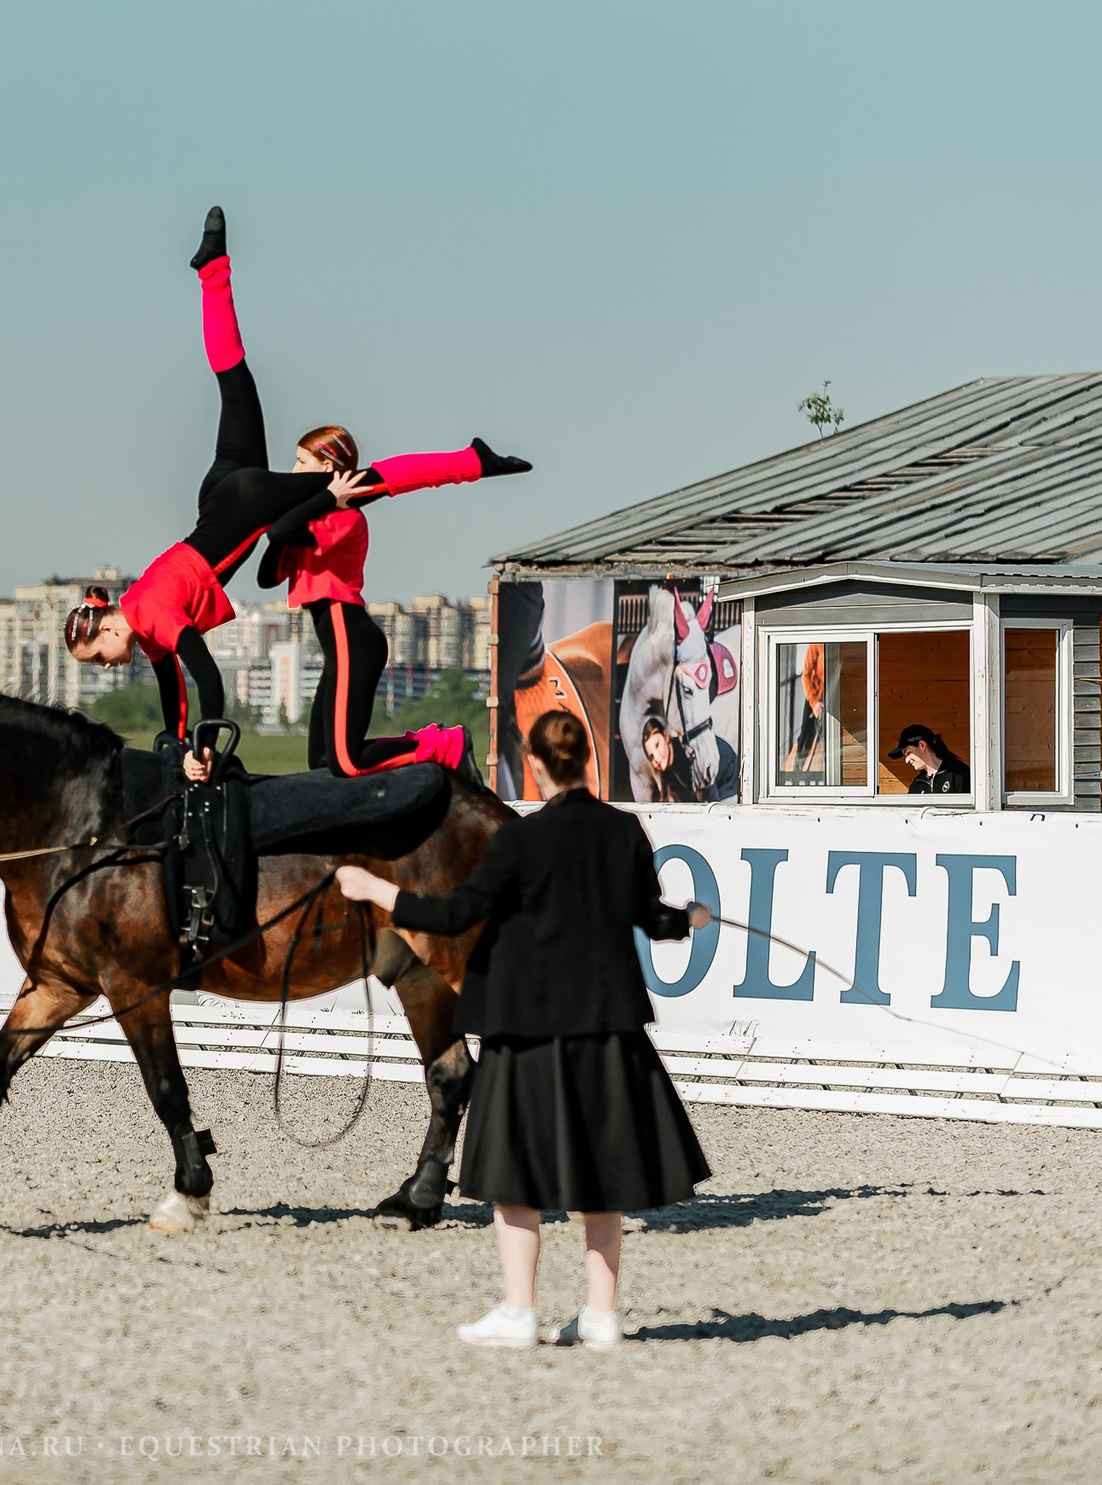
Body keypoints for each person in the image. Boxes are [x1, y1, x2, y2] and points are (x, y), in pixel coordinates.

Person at [65, 206, 529, 782]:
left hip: (243, 503)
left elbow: (207, 678)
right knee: (235, 383)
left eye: (99, 658)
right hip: (220, 496)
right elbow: (175, 692)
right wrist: (178, 739)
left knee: (364, 483)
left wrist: (203, 748)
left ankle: (470, 462)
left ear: (107, 627)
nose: (108, 667)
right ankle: (213, 272)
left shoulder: (153, 615)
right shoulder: (144, 615)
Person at [335, 712, 714, 1350]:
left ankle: (519, 1311)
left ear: (537, 766)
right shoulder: (625, 831)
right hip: (606, 1025)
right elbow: (653, 919)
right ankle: (600, 1316)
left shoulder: (518, 840)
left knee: (515, 1173)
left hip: (526, 1026)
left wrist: (377, 888)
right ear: (586, 762)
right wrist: (692, 920)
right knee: (601, 1172)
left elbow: (455, 915)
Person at [250, 422, 504, 776]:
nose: (292, 471)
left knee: (347, 763)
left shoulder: (344, 518)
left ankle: (444, 745)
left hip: (353, 641)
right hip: (339, 651)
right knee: (322, 762)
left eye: (300, 462)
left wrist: (318, 501)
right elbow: (266, 577)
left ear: (327, 468)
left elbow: (280, 532)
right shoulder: (310, 522)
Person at [886, 724, 971, 795]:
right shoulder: (917, 784)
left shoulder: (959, 774)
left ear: (922, 745)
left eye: (908, 753)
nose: (907, 760)